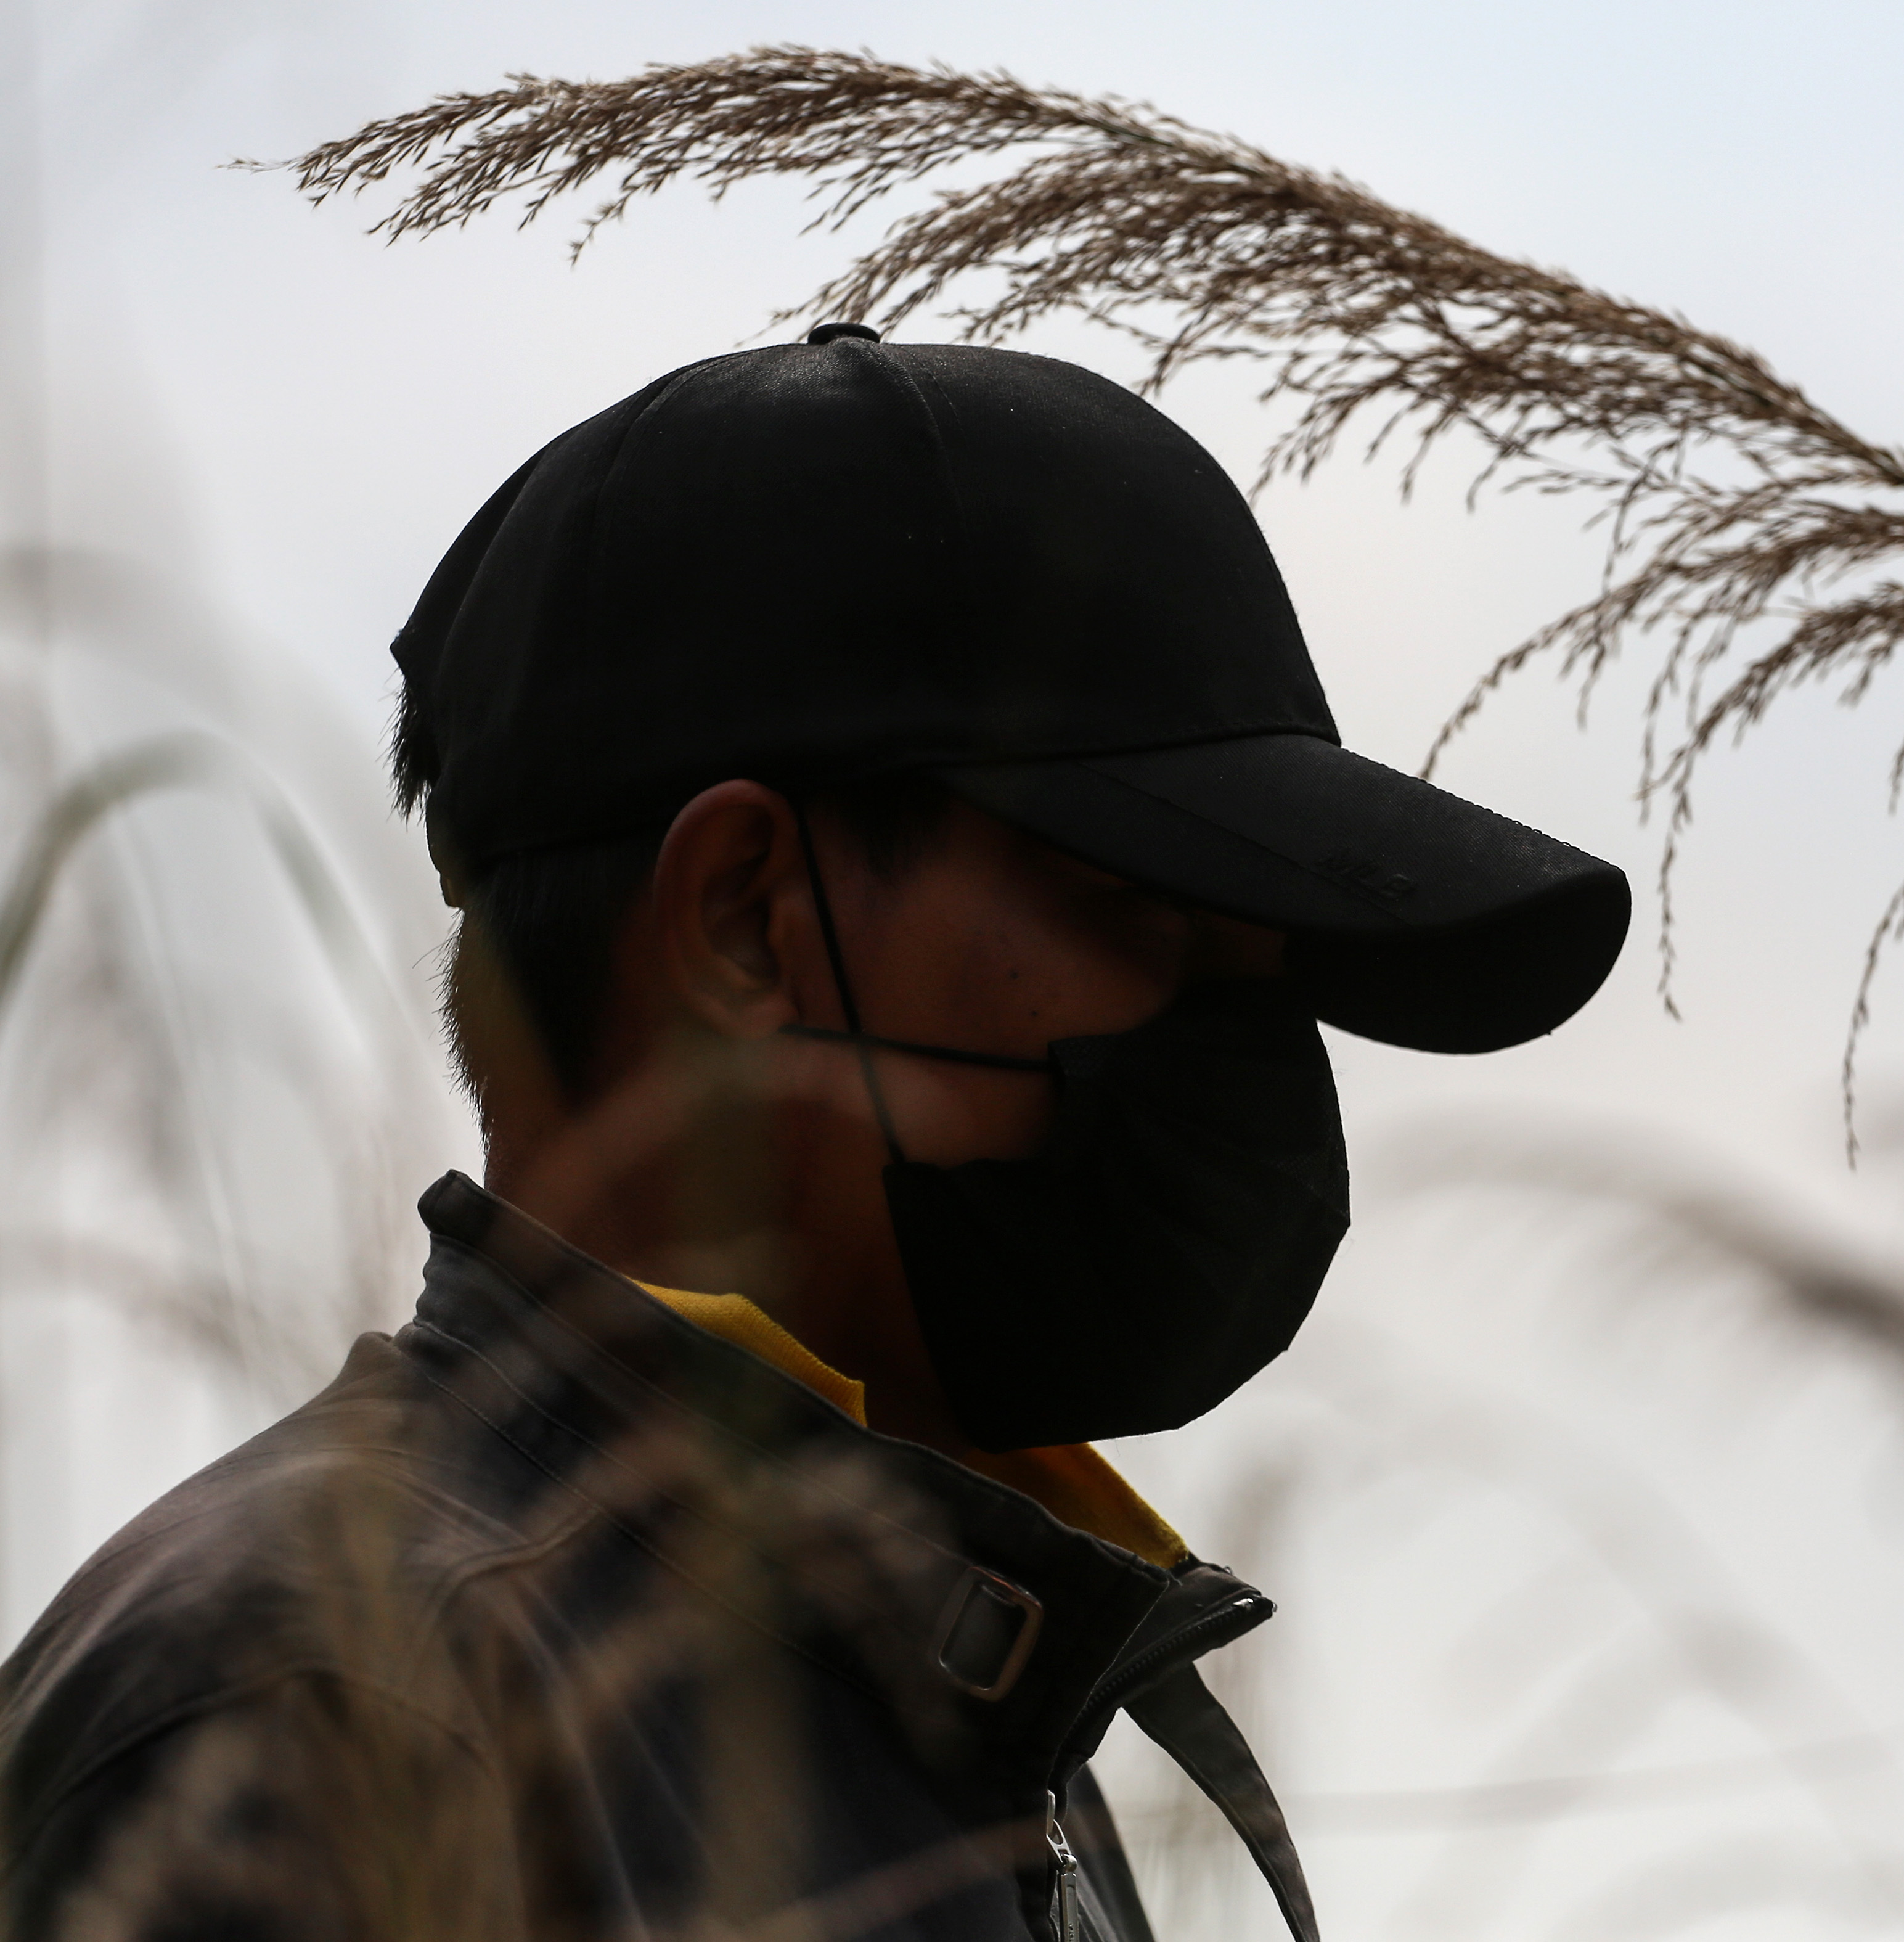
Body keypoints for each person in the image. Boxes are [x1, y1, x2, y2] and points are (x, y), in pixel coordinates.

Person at [0, 324, 1628, 1942]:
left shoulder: (966, 1686)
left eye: (1265, 969)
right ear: (743, 920)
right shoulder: (326, 1712)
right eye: (1147, 916)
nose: (1248, 1062)